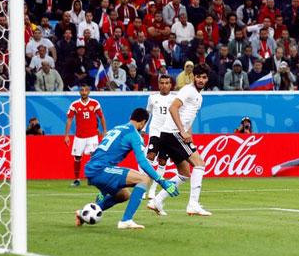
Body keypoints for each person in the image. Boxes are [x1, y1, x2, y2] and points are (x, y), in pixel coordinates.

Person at [75, 108, 179, 229]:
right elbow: (143, 162)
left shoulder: (117, 128)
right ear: (143, 122)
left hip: (93, 168)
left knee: (123, 195)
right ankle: (126, 220)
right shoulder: (133, 134)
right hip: (100, 169)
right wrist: (162, 181)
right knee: (144, 180)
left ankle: (84, 214)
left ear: (131, 117)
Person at [147, 64, 212, 216]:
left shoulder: (199, 96)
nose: (201, 80)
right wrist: (182, 131)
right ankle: (193, 204)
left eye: (204, 77)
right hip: (173, 133)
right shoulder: (188, 90)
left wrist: (190, 138)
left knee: (184, 173)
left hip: (170, 135)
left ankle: (156, 200)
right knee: (199, 164)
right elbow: (173, 108)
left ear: (207, 79)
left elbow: (188, 120)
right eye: (198, 76)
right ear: (193, 77)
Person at [64, 84, 108, 187]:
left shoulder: (95, 103)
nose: (84, 92)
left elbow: (101, 117)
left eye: (86, 90)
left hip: (92, 136)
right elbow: (69, 119)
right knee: (77, 157)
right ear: (79, 92)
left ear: (89, 91)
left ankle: (92, 178)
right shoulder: (74, 105)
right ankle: (77, 179)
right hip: (79, 136)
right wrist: (66, 135)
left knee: (94, 157)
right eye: (82, 90)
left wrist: (105, 131)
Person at [145, 75, 176, 200]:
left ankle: (152, 190)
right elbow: (148, 114)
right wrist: (142, 129)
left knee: (162, 162)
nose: (164, 85)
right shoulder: (153, 98)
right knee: (149, 158)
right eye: (162, 83)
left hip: (168, 134)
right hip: (155, 132)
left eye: (166, 83)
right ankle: (142, 188)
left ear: (170, 85)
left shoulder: (175, 99)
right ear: (159, 84)